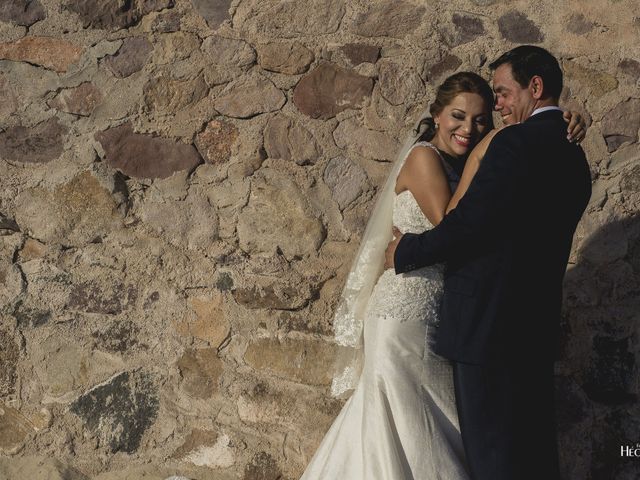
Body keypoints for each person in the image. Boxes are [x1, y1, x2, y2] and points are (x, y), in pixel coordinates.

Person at [300, 67, 586, 479]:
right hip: (404, 313)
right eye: (458, 116)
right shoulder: (424, 158)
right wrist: (491, 145)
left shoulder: (464, 161)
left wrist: (565, 116)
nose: (468, 128)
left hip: (435, 311)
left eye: (480, 120)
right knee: (405, 418)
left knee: (418, 420)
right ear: (437, 115)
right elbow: (452, 223)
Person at [385, 46, 592, 480]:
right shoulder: (575, 155)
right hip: (533, 328)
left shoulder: (513, 143)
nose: (497, 106)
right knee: (532, 454)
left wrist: (405, 252)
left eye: (502, 92)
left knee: (492, 457)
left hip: (487, 329)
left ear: (535, 87)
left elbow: (468, 226)